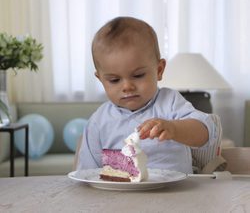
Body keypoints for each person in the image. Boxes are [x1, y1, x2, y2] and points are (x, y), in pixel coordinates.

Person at [76, 16, 217, 174]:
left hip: (175, 194)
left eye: (138, 76)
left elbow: (206, 132)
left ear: (159, 70)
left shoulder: (169, 102)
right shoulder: (99, 121)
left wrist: (174, 128)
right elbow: (87, 174)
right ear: (101, 79)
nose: (127, 86)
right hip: (120, 196)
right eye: (114, 80)